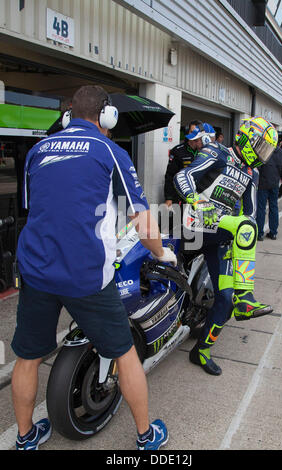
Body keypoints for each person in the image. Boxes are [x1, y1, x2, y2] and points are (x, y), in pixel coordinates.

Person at [10, 85, 177, 451]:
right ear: (107, 117)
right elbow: (143, 221)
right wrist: (162, 253)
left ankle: (25, 438)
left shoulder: (38, 150)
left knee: (28, 357)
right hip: (85, 275)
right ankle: (147, 436)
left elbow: (35, 208)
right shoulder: (109, 150)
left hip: (36, 270)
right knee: (123, 352)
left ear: (68, 115)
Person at [174, 117, 278, 376]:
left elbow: (251, 212)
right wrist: (197, 201)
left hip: (219, 232)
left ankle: (202, 350)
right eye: (261, 147)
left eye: (267, 151)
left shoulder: (252, 173)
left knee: (225, 299)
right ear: (246, 138)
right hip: (192, 224)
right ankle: (246, 296)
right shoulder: (217, 152)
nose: (263, 155)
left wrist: (240, 234)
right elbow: (183, 176)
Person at [164, 121, 215, 207]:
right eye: (193, 132)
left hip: (201, 196)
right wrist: (169, 198)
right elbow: (170, 176)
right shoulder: (178, 151)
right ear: (187, 133)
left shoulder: (206, 151)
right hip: (181, 197)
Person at [256, 147, 282, 240]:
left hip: (262, 183)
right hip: (275, 183)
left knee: (261, 208)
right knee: (273, 207)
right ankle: (273, 232)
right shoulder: (280, 151)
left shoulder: (263, 149)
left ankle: (259, 233)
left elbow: (257, 167)